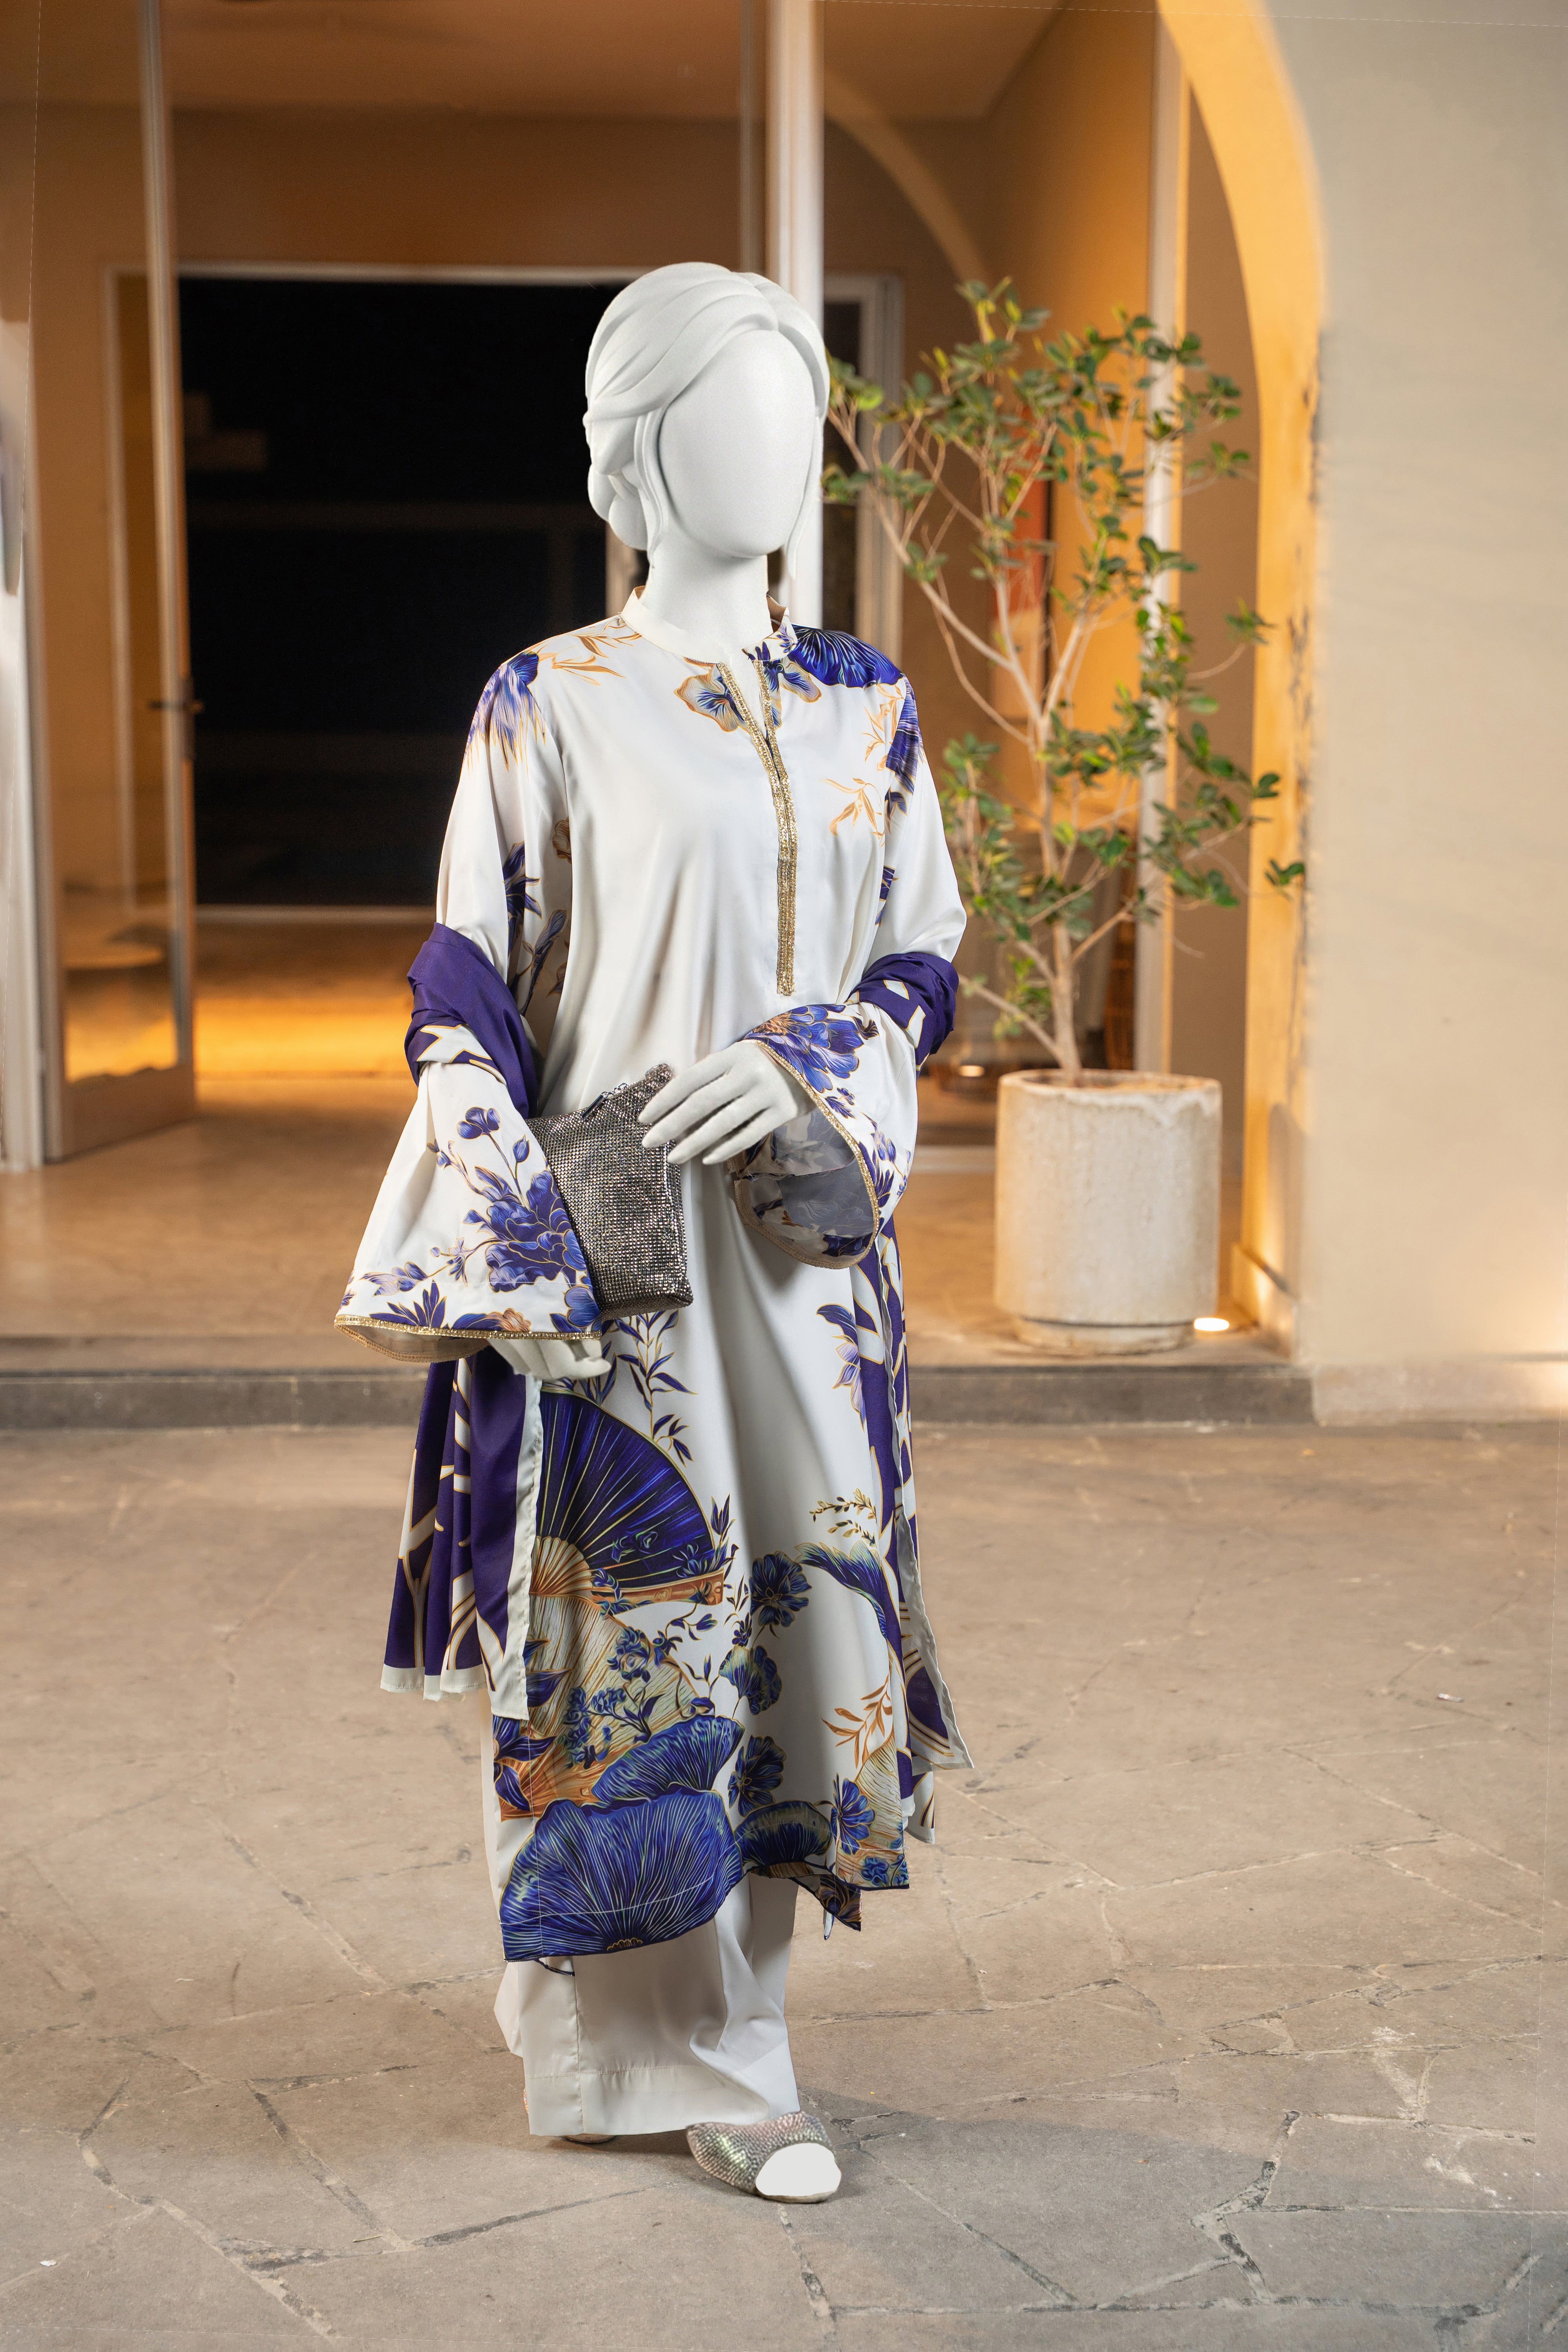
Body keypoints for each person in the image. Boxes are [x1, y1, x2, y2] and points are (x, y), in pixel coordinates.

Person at [338, 262, 968, 2203]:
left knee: (789, 1623)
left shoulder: (867, 704)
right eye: (724, 413)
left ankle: (726, 2024)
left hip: (804, 1271)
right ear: (635, 449)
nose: (771, 451)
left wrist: (807, 1064)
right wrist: (501, 1215)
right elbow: (466, 981)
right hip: (620, 1270)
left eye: (792, 414)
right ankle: (671, 2056)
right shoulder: (549, 701)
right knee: (630, 1644)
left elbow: (919, 962)